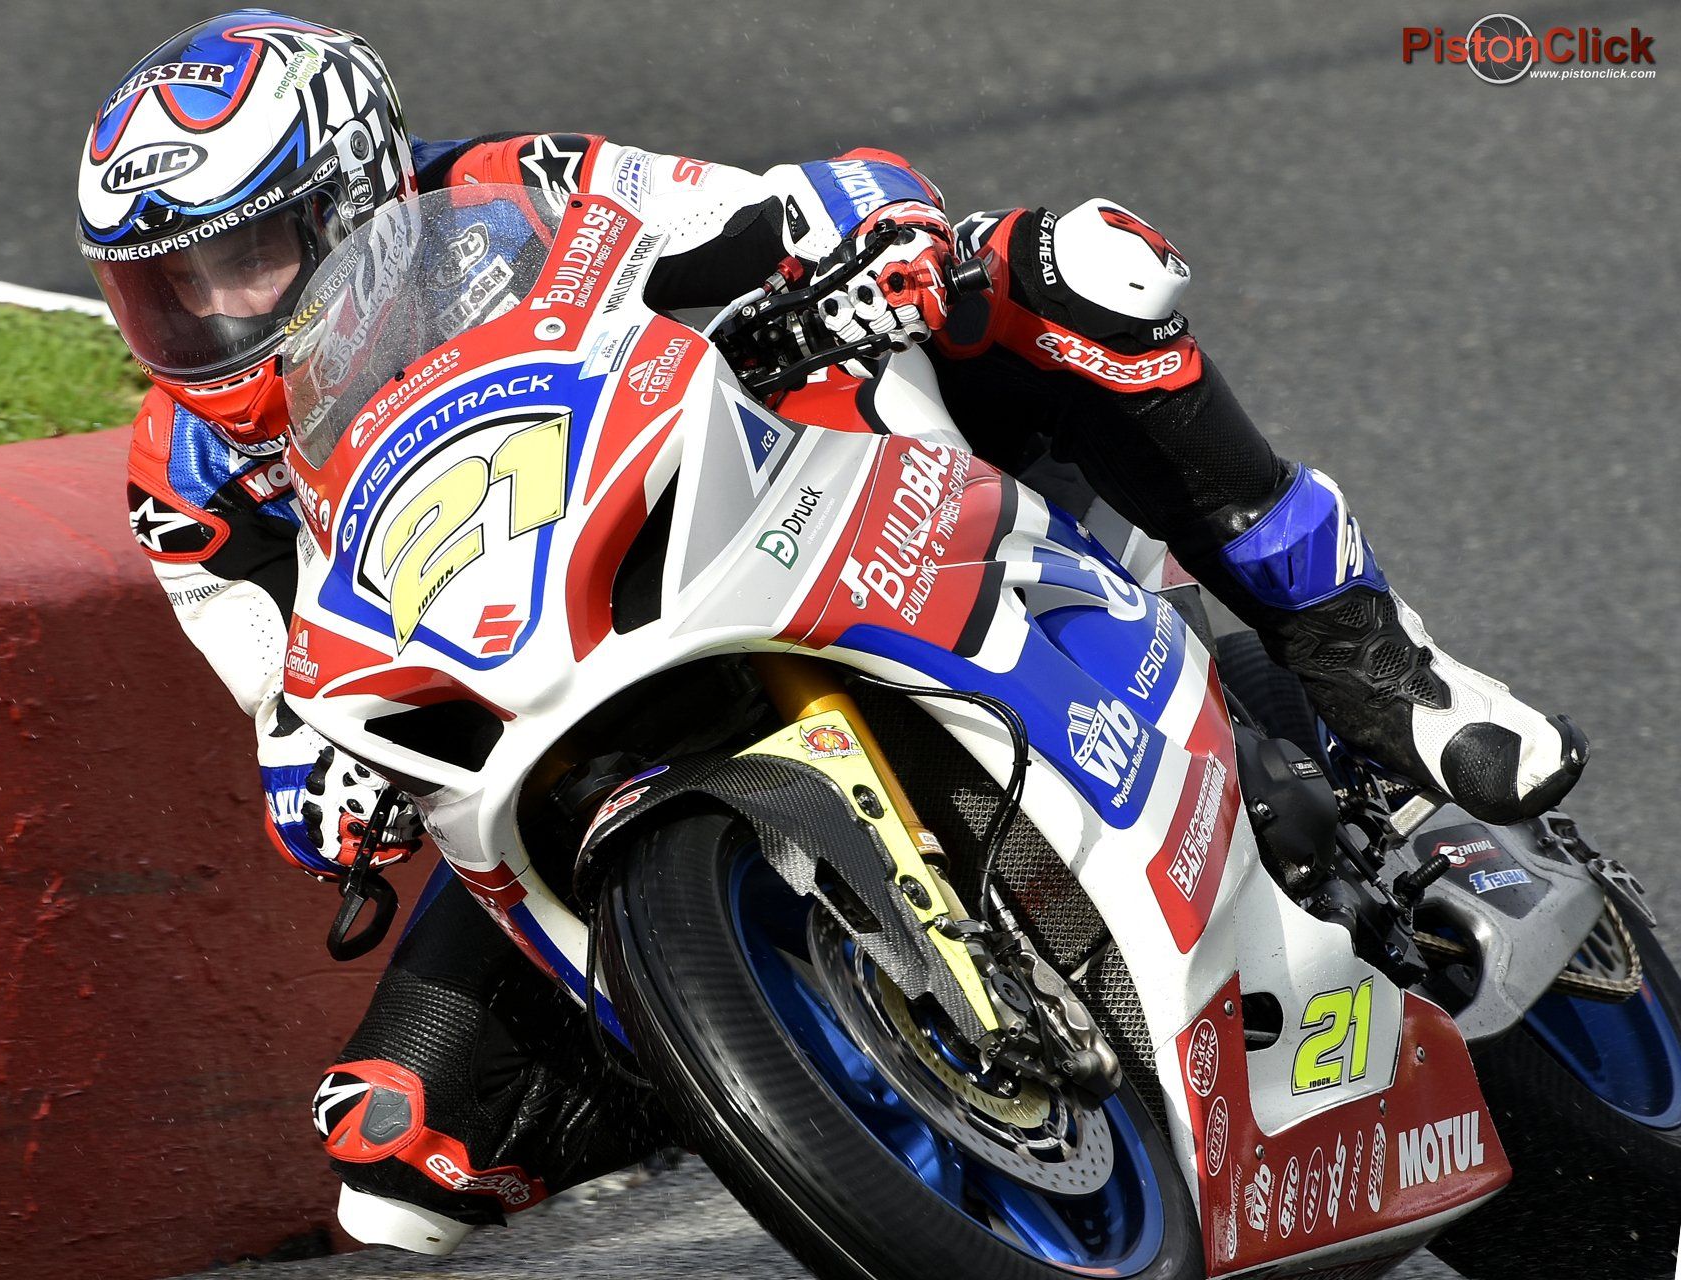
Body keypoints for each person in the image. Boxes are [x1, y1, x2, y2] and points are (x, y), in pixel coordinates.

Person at [79, 9, 1587, 1255]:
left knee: (1076, 268)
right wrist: (314, 783)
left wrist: (855, 243)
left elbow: (756, 213)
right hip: (537, 692)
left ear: (351, 197)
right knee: (394, 1155)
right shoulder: (182, 479)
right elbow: (278, 685)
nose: (207, 320)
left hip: (757, 491)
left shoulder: (516, 189)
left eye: (238, 262)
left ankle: (1373, 663)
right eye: (165, 293)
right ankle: (798, 1050)